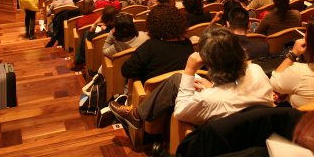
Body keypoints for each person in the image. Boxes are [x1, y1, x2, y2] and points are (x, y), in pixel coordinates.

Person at [109, 27, 274, 129]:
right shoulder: (256, 70)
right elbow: (236, 95)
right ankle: (137, 115)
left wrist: (189, 70)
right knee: (177, 79)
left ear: (208, 65)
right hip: (255, 130)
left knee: (179, 78)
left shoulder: (209, 100)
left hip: (221, 136)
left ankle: (137, 115)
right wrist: (212, 87)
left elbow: (181, 111)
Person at [120, 4, 194, 83]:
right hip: (182, 91)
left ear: (152, 25)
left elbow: (126, 71)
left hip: (152, 94)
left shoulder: (149, 47)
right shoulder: (187, 44)